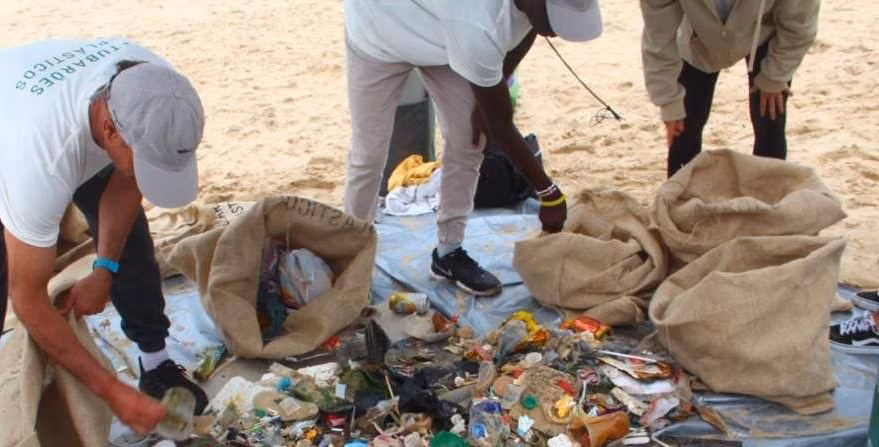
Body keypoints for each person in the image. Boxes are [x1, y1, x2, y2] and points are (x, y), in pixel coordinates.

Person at [0, 37, 208, 436]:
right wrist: (110, 390)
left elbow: (127, 183)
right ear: (110, 129)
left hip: (58, 114)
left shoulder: (158, 88)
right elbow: (27, 295)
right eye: (146, 163)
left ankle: (156, 361)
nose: (148, 175)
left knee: (130, 236)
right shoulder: (37, 158)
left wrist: (104, 268)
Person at [343, 0, 603, 297]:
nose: (557, 32)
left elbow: (529, 29)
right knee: (369, 154)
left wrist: (496, 84)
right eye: (555, 19)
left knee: (469, 139)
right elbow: (501, 128)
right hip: (379, 34)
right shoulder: (477, 23)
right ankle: (352, 255)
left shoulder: (523, 12)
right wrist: (549, 193)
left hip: (443, 38)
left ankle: (448, 253)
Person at [640, 0, 820, 177]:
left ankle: (768, 199)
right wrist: (669, 100)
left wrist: (775, 76)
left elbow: (800, 23)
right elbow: (658, 40)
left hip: (766, 30)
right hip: (698, 40)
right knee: (683, 127)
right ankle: (679, 200)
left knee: (770, 118)